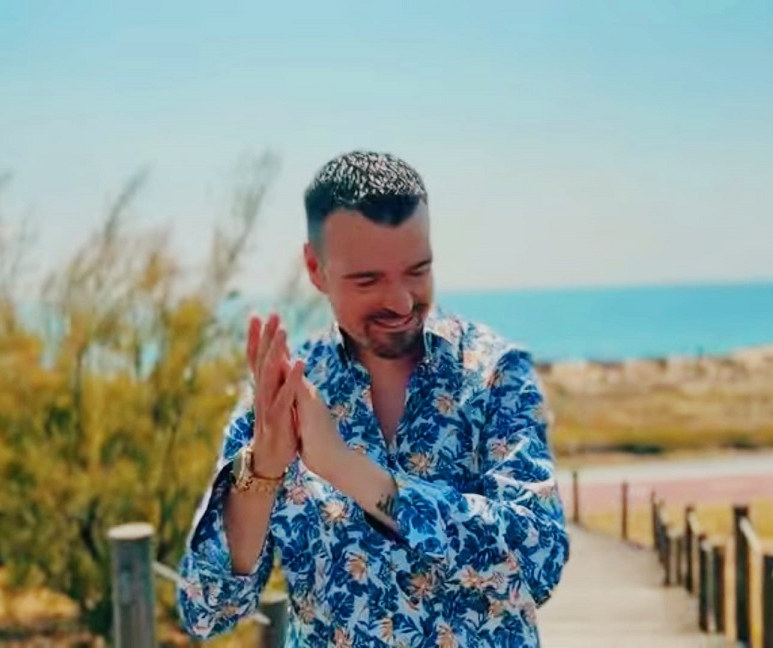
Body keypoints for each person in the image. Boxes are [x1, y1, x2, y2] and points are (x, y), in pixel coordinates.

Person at [177, 150, 570, 646]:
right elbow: (206, 610)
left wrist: (347, 469)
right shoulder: (283, 392)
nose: (401, 302)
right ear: (315, 268)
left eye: (417, 271)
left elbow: (539, 561)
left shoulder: (495, 373)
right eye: (369, 280)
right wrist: (262, 473)